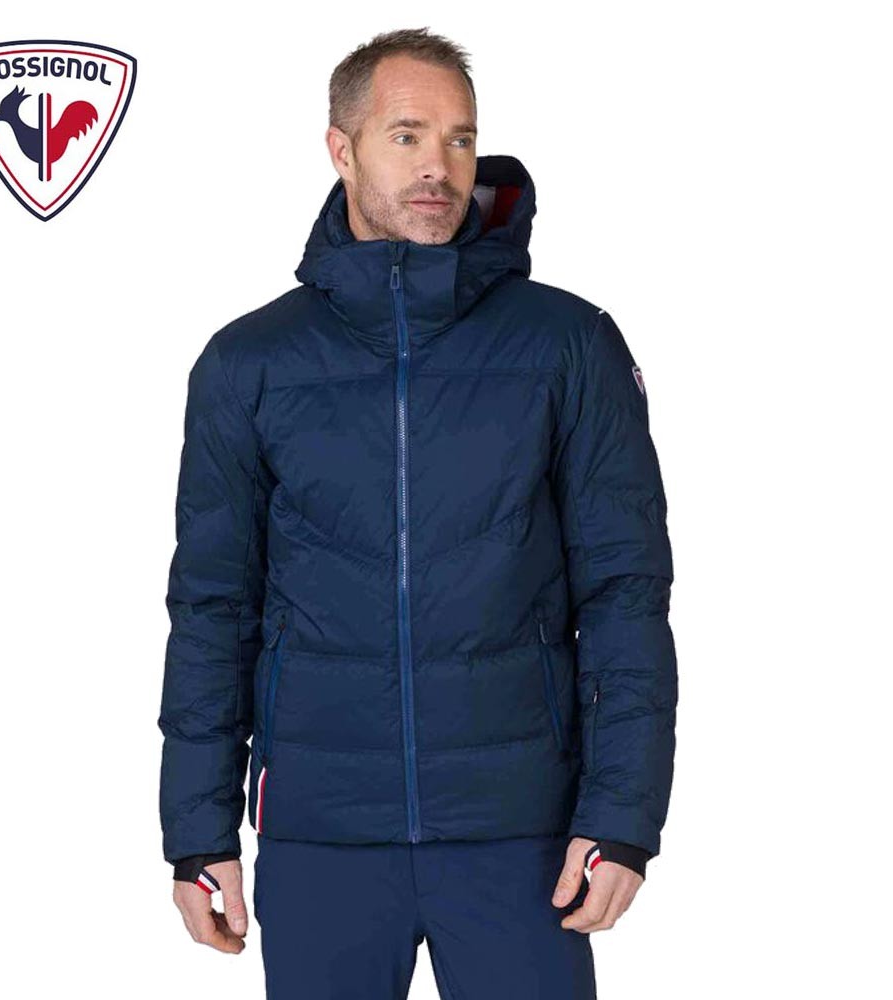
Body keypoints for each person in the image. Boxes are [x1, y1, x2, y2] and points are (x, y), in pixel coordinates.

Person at [157, 26, 677, 1000]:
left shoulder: (569, 345)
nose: (438, 164)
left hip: (521, 834)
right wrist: (197, 830)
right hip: (322, 833)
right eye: (406, 136)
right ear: (341, 148)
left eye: (459, 138)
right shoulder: (249, 363)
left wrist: (622, 817)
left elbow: (624, 595)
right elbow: (213, 609)